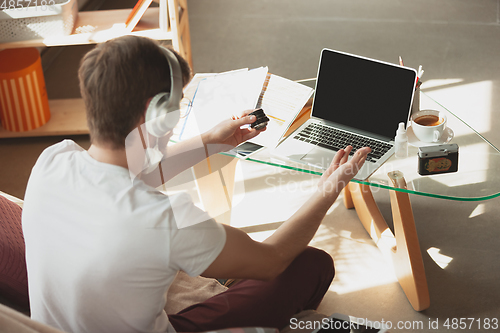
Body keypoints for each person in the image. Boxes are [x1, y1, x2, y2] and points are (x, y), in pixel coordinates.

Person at [22, 35, 371, 333]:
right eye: (176, 108)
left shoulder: (52, 161)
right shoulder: (165, 219)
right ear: (153, 112)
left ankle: (224, 267)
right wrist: (329, 187)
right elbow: (273, 260)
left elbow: (129, 175)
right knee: (311, 264)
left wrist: (211, 141)